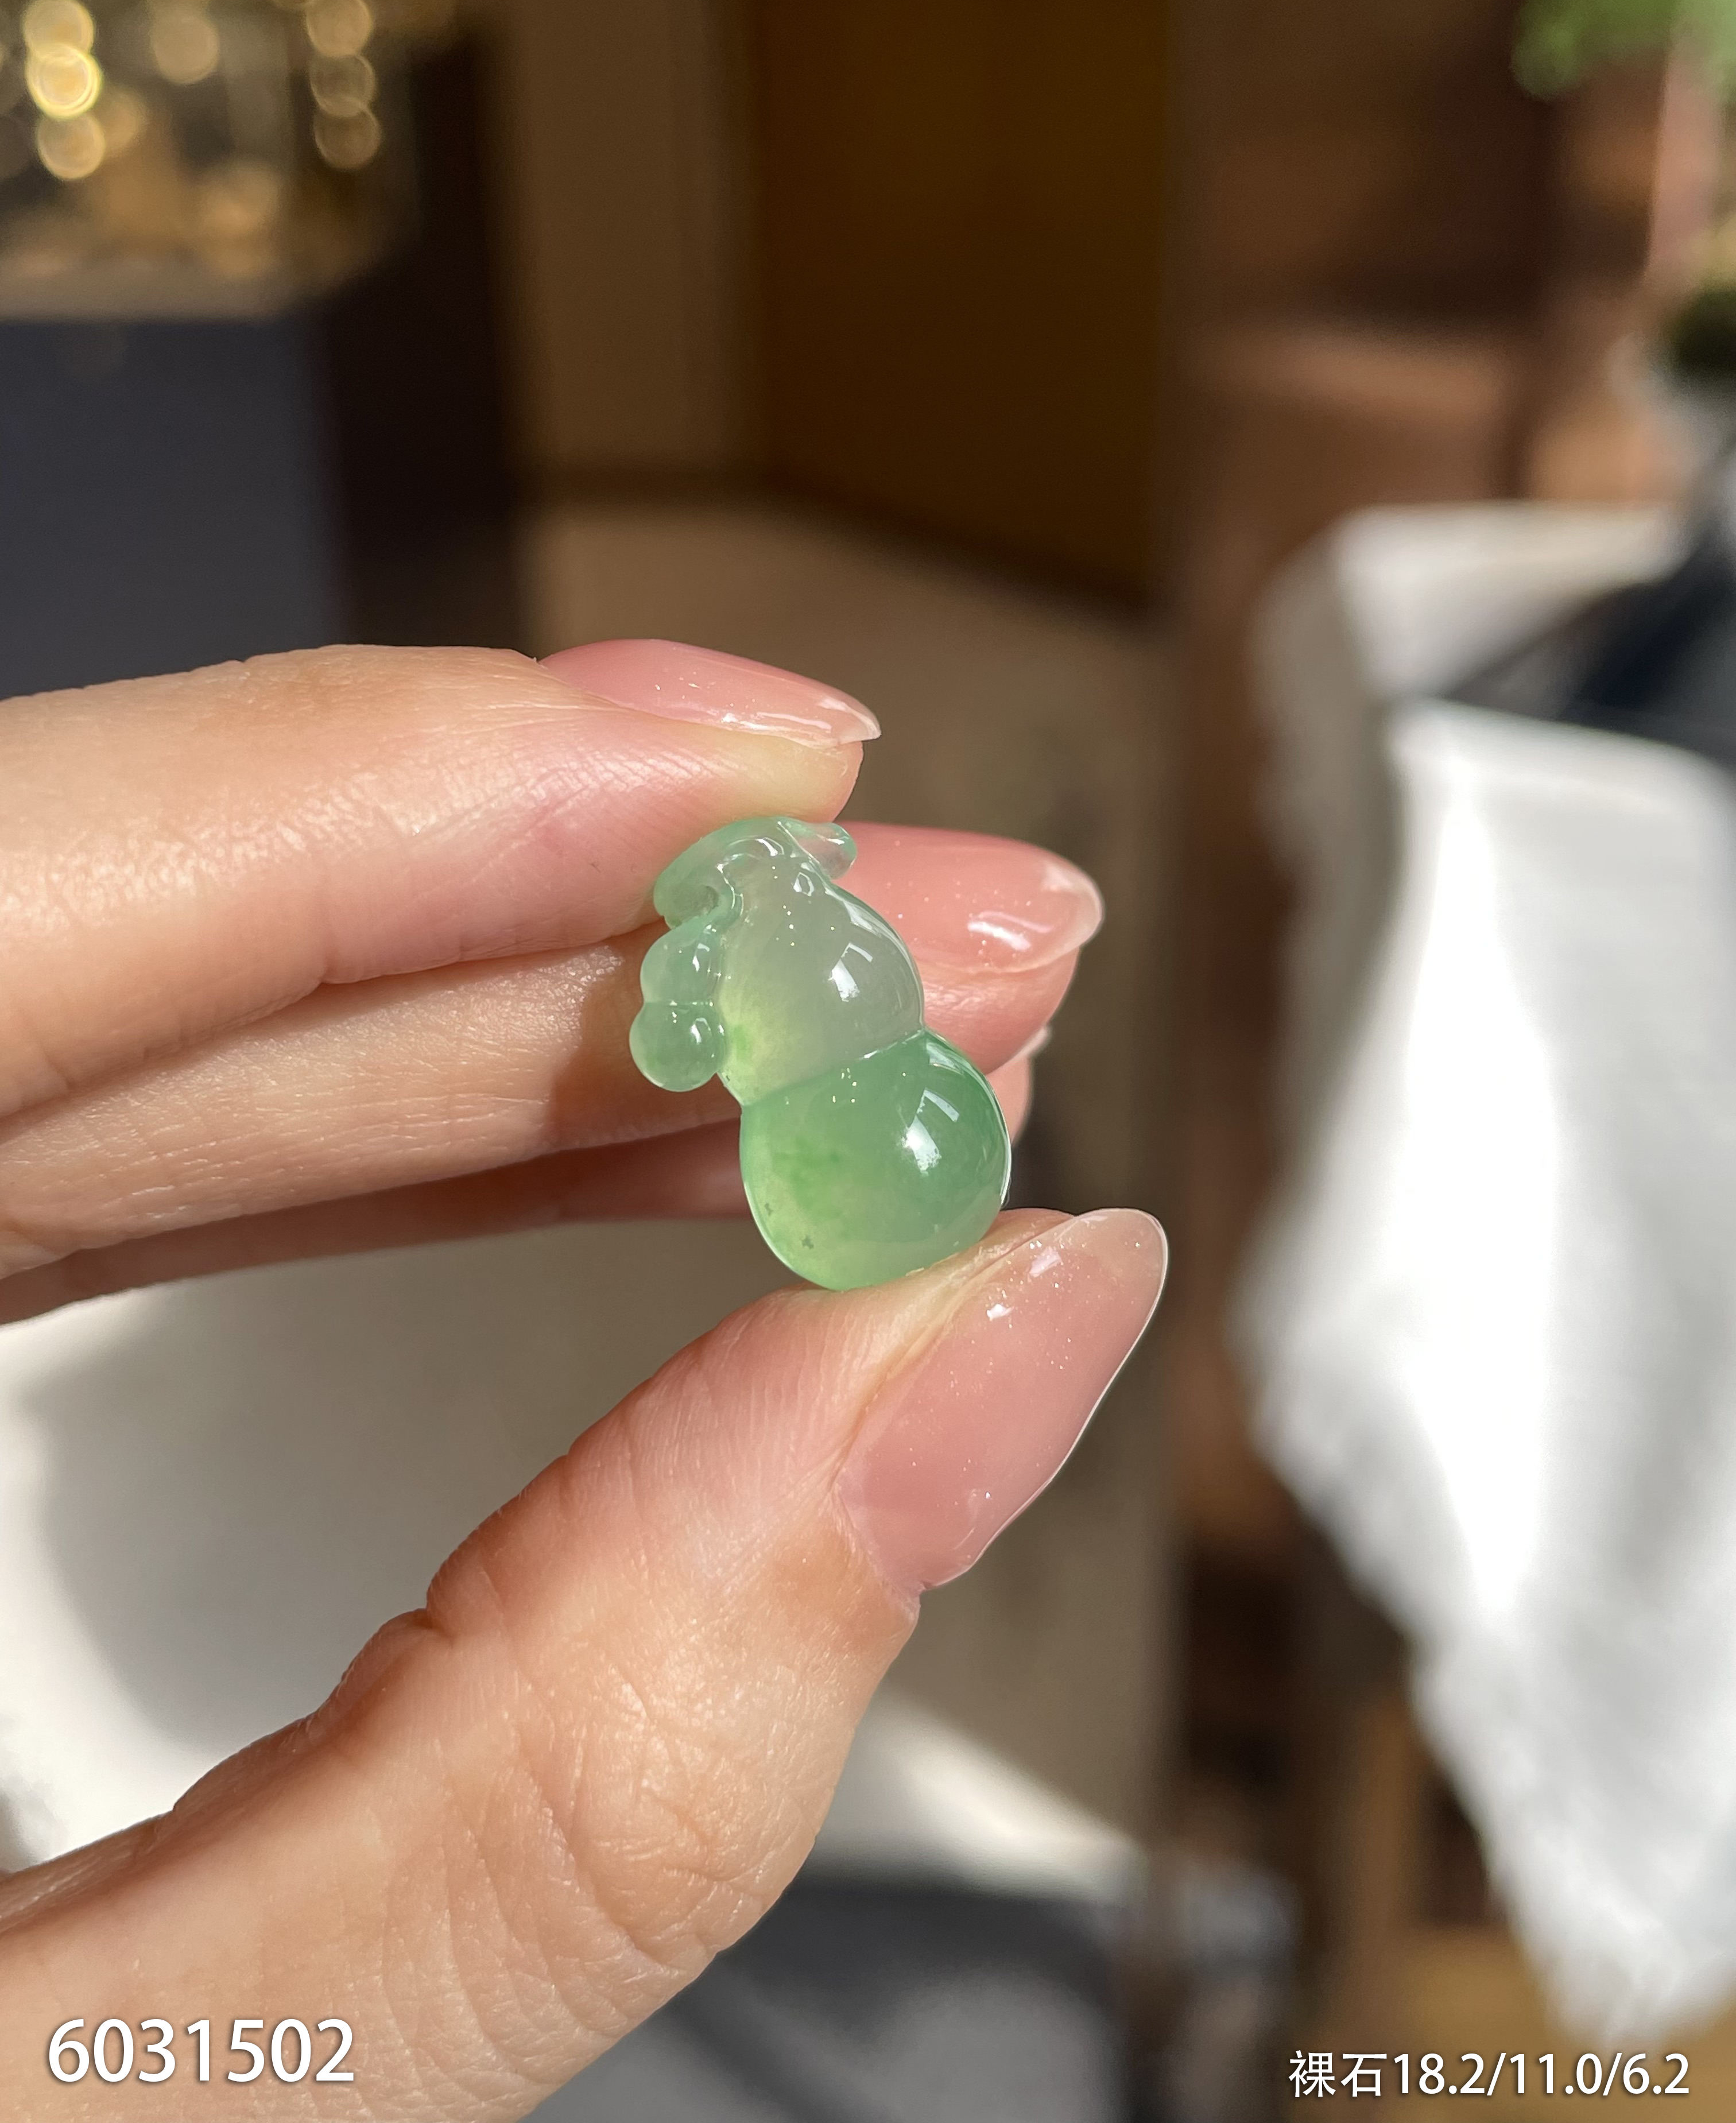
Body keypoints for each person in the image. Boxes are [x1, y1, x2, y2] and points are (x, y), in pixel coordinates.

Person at [0, 638, 1165, 2117]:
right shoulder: (728, 946)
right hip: (830, 1137)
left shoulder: (820, 930)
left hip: (891, 1105)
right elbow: (672, 1052)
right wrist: (692, 1012)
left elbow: (689, 1046)